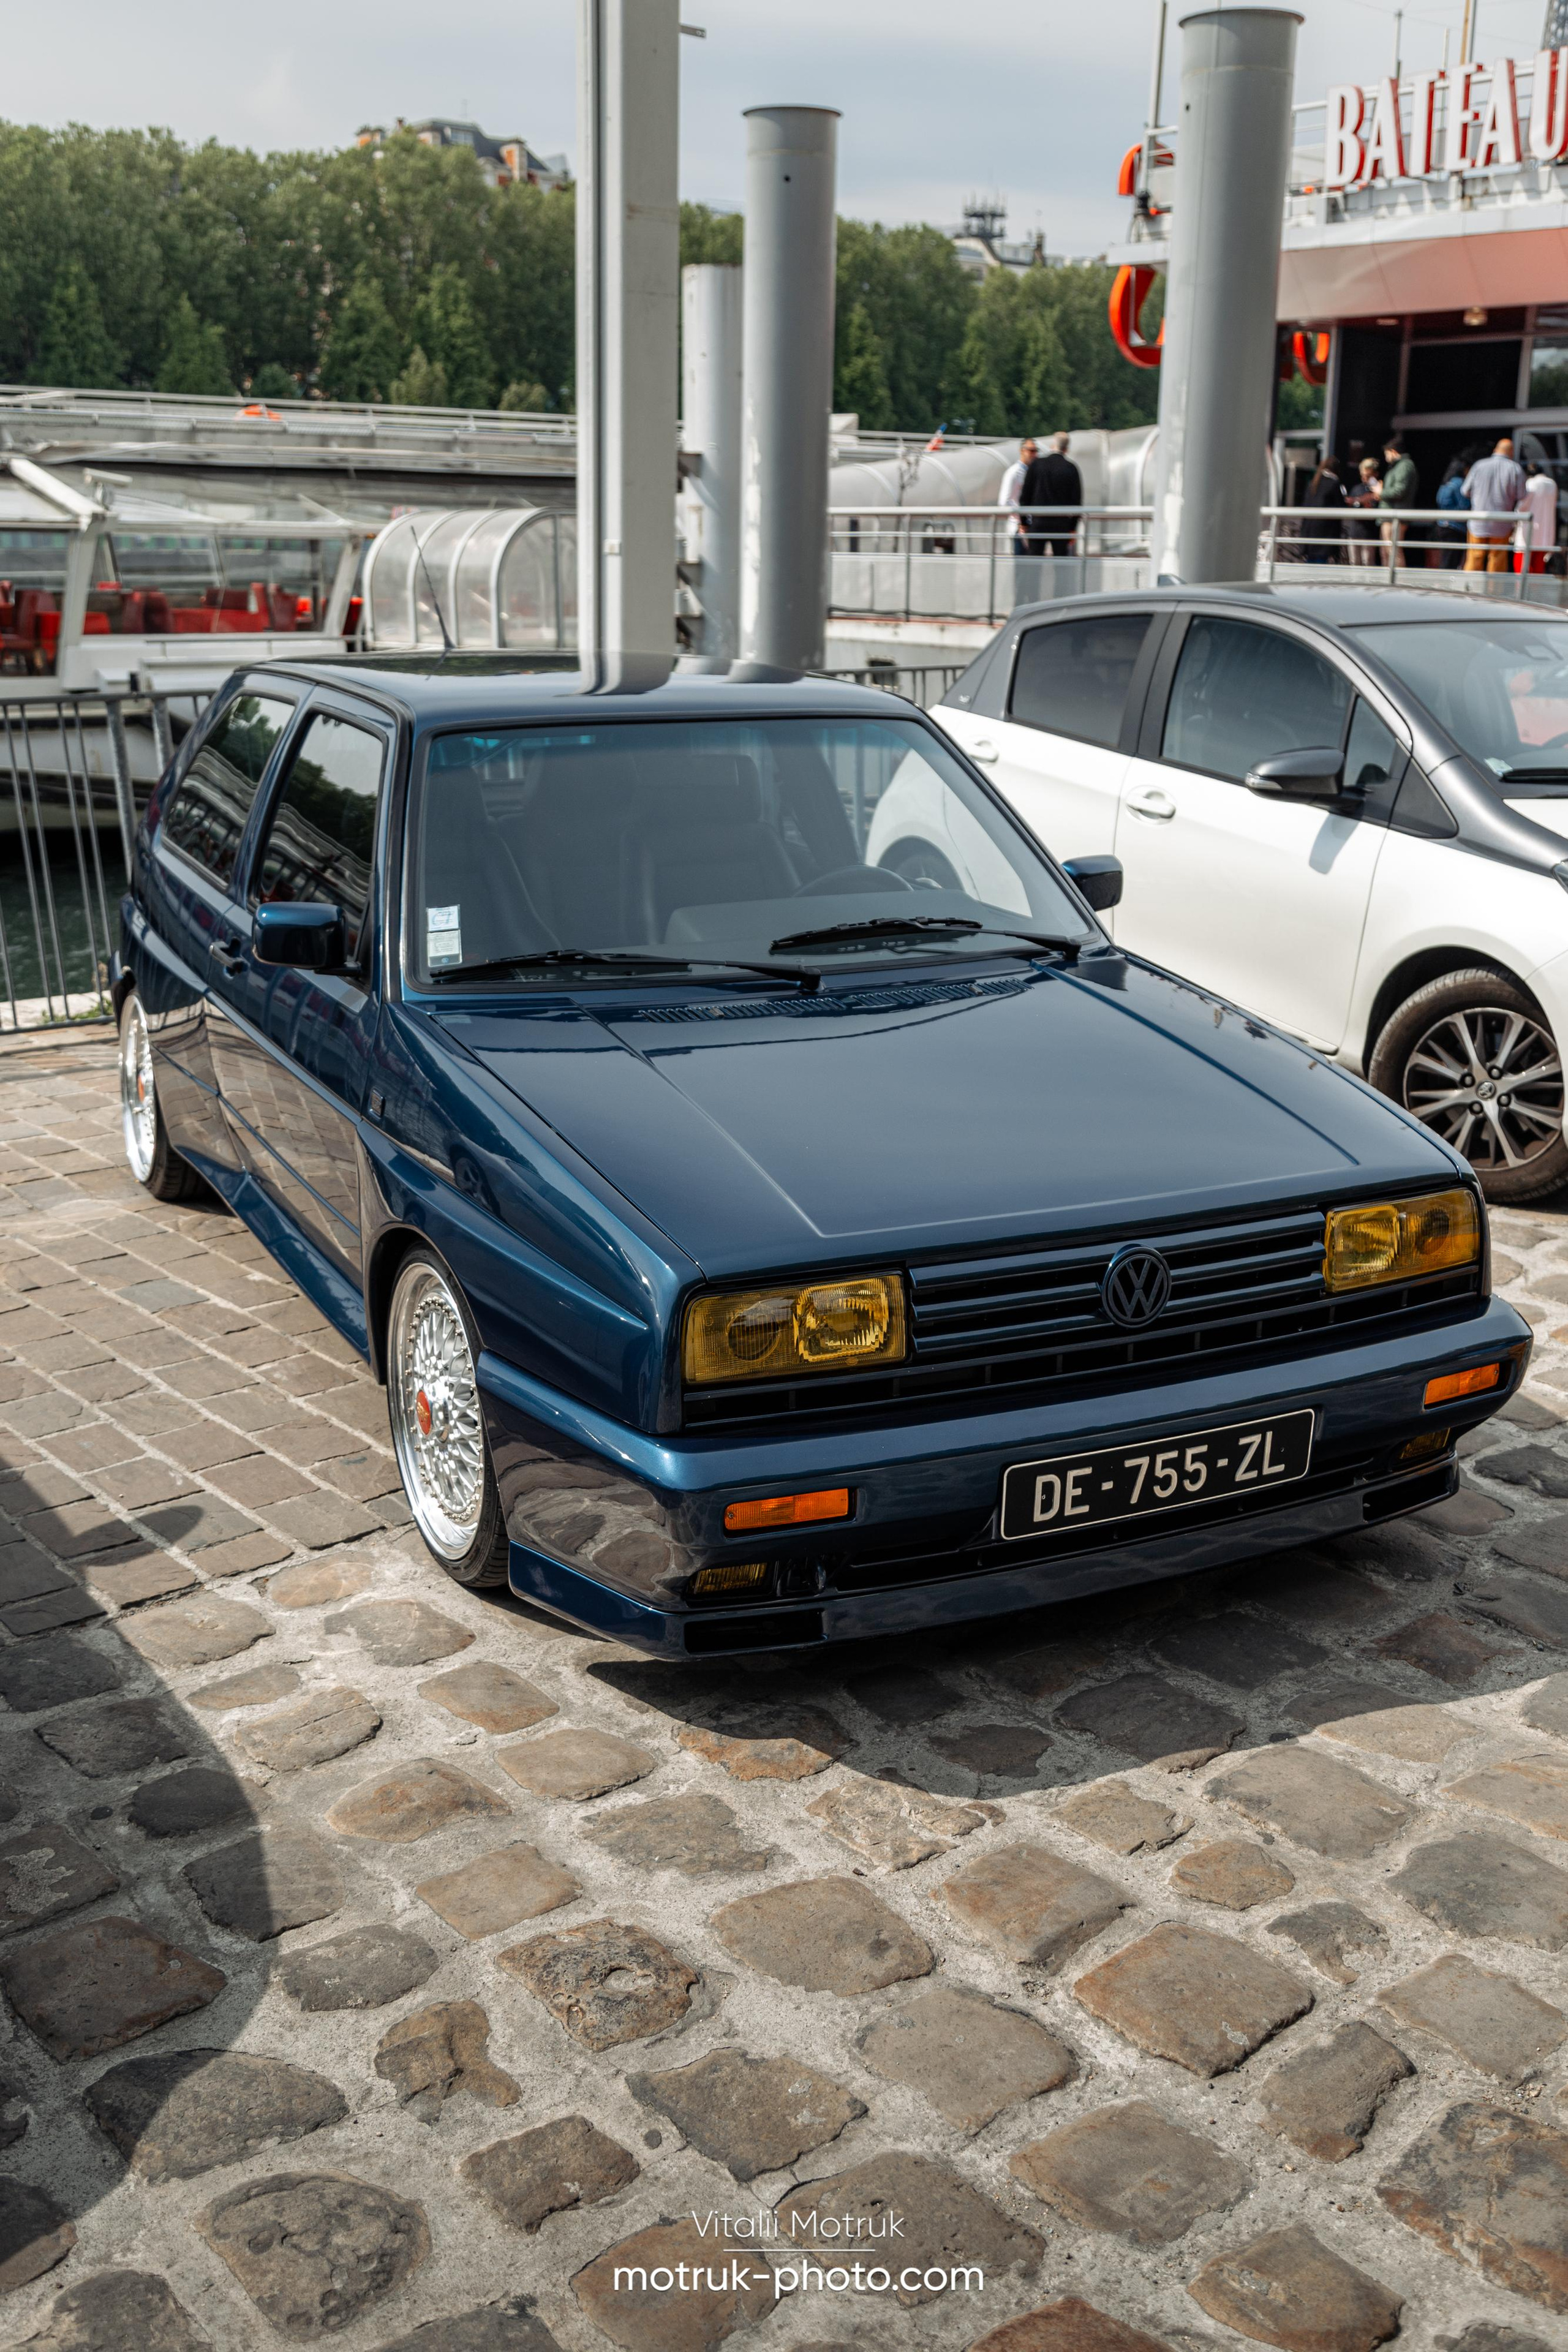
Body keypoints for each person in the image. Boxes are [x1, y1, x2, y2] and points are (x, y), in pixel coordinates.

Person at [1462, 437, 1526, 572]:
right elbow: (1522, 496)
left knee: (1475, 557)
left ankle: (1470, 590)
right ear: (1511, 452)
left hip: (1478, 522)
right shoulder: (1515, 469)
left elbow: (1465, 491)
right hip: (1502, 523)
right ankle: (1493, 592)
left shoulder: (1479, 465)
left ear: (1495, 450)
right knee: (1497, 559)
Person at [1019, 432, 1083, 559]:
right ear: (1066, 449)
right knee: (1061, 565)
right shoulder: (1071, 468)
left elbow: (1025, 496)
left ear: (1052, 446)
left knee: (1034, 564)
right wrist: (1072, 528)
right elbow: (1077, 502)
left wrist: (1024, 523)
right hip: (1061, 524)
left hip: (1038, 522)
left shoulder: (1036, 465)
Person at [1379, 435, 1418, 565]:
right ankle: (1389, 583)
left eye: (1386, 453)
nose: (1385, 457)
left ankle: (1398, 583)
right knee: (1387, 552)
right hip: (1389, 515)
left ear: (1393, 451)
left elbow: (1399, 491)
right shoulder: (1398, 467)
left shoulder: (1404, 466)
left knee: (1393, 552)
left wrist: (1381, 492)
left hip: (1394, 516)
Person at [1515, 460, 1558, 575]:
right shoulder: (1552, 484)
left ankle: (1522, 592)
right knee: (1538, 568)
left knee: (1522, 567)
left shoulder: (1531, 483)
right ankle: (1535, 593)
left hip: (1528, 531)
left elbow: (1521, 507)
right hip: (1545, 532)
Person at [1302, 455, 1346, 562]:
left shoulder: (1313, 483)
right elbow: (1341, 506)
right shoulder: (1334, 483)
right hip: (1326, 532)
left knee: (1311, 563)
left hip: (1310, 530)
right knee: (1321, 562)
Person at [1345, 457, 1382, 567]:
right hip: (1355, 530)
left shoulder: (1378, 489)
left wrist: (1365, 501)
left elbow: (1375, 509)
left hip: (1369, 533)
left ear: (1376, 474)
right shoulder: (1357, 488)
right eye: (1363, 476)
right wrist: (1355, 502)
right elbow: (1351, 505)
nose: (1365, 479)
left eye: (1368, 476)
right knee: (1354, 562)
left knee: (1368, 563)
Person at [1434, 456, 1470, 570]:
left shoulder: (1446, 483)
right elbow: (1464, 505)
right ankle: (1446, 585)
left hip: (1443, 525)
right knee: (1452, 561)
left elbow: (1439, 501)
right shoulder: (1459, 484)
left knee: (1446, 558)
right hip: (1456, 527)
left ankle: (1443, 583)